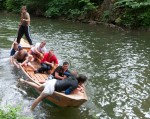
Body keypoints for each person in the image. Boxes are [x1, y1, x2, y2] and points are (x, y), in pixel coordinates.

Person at [19, 73, 87, 110]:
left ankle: (25, 81)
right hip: (52, 87)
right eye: (83, 83)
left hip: (53, 81)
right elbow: (67, 92)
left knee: (38, 87)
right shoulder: (75, 84)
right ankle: (30, 110)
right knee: (40, 98)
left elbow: (65, 73)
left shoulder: (73, 76)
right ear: (81, 81)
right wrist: (72, 90)